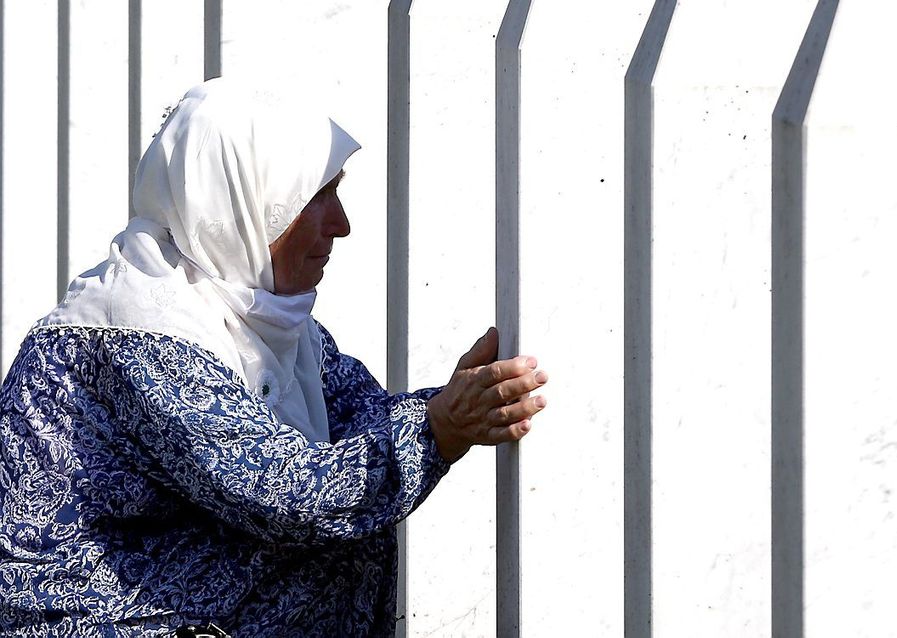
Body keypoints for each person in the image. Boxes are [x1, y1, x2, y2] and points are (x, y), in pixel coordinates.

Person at [0, 78, 548, 637]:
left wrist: (452, 405)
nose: (341, 225)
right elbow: (281, 494)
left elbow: (356, 418)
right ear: (243, 200)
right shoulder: (141, 330)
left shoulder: (254, 316)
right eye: (317, 197)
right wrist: (439, 429)